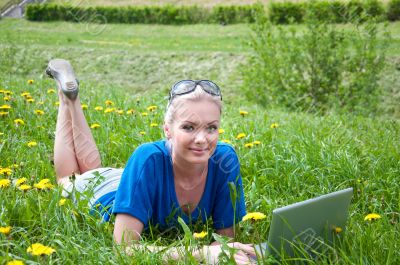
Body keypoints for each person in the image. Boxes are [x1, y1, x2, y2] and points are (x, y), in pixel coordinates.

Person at [47, 59, 256, 264]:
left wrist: (227, 252)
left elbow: (225, 240)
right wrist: (201, 253)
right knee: (71, 177)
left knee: (94, 166)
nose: (202, 139)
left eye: (211, 127)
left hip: (134, 180)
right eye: (189, 127)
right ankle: (67, 99)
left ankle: (71, 97)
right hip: (105, 191)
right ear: (167, 130)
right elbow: (124, 250)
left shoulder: (224, 159)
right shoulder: (147, 157)